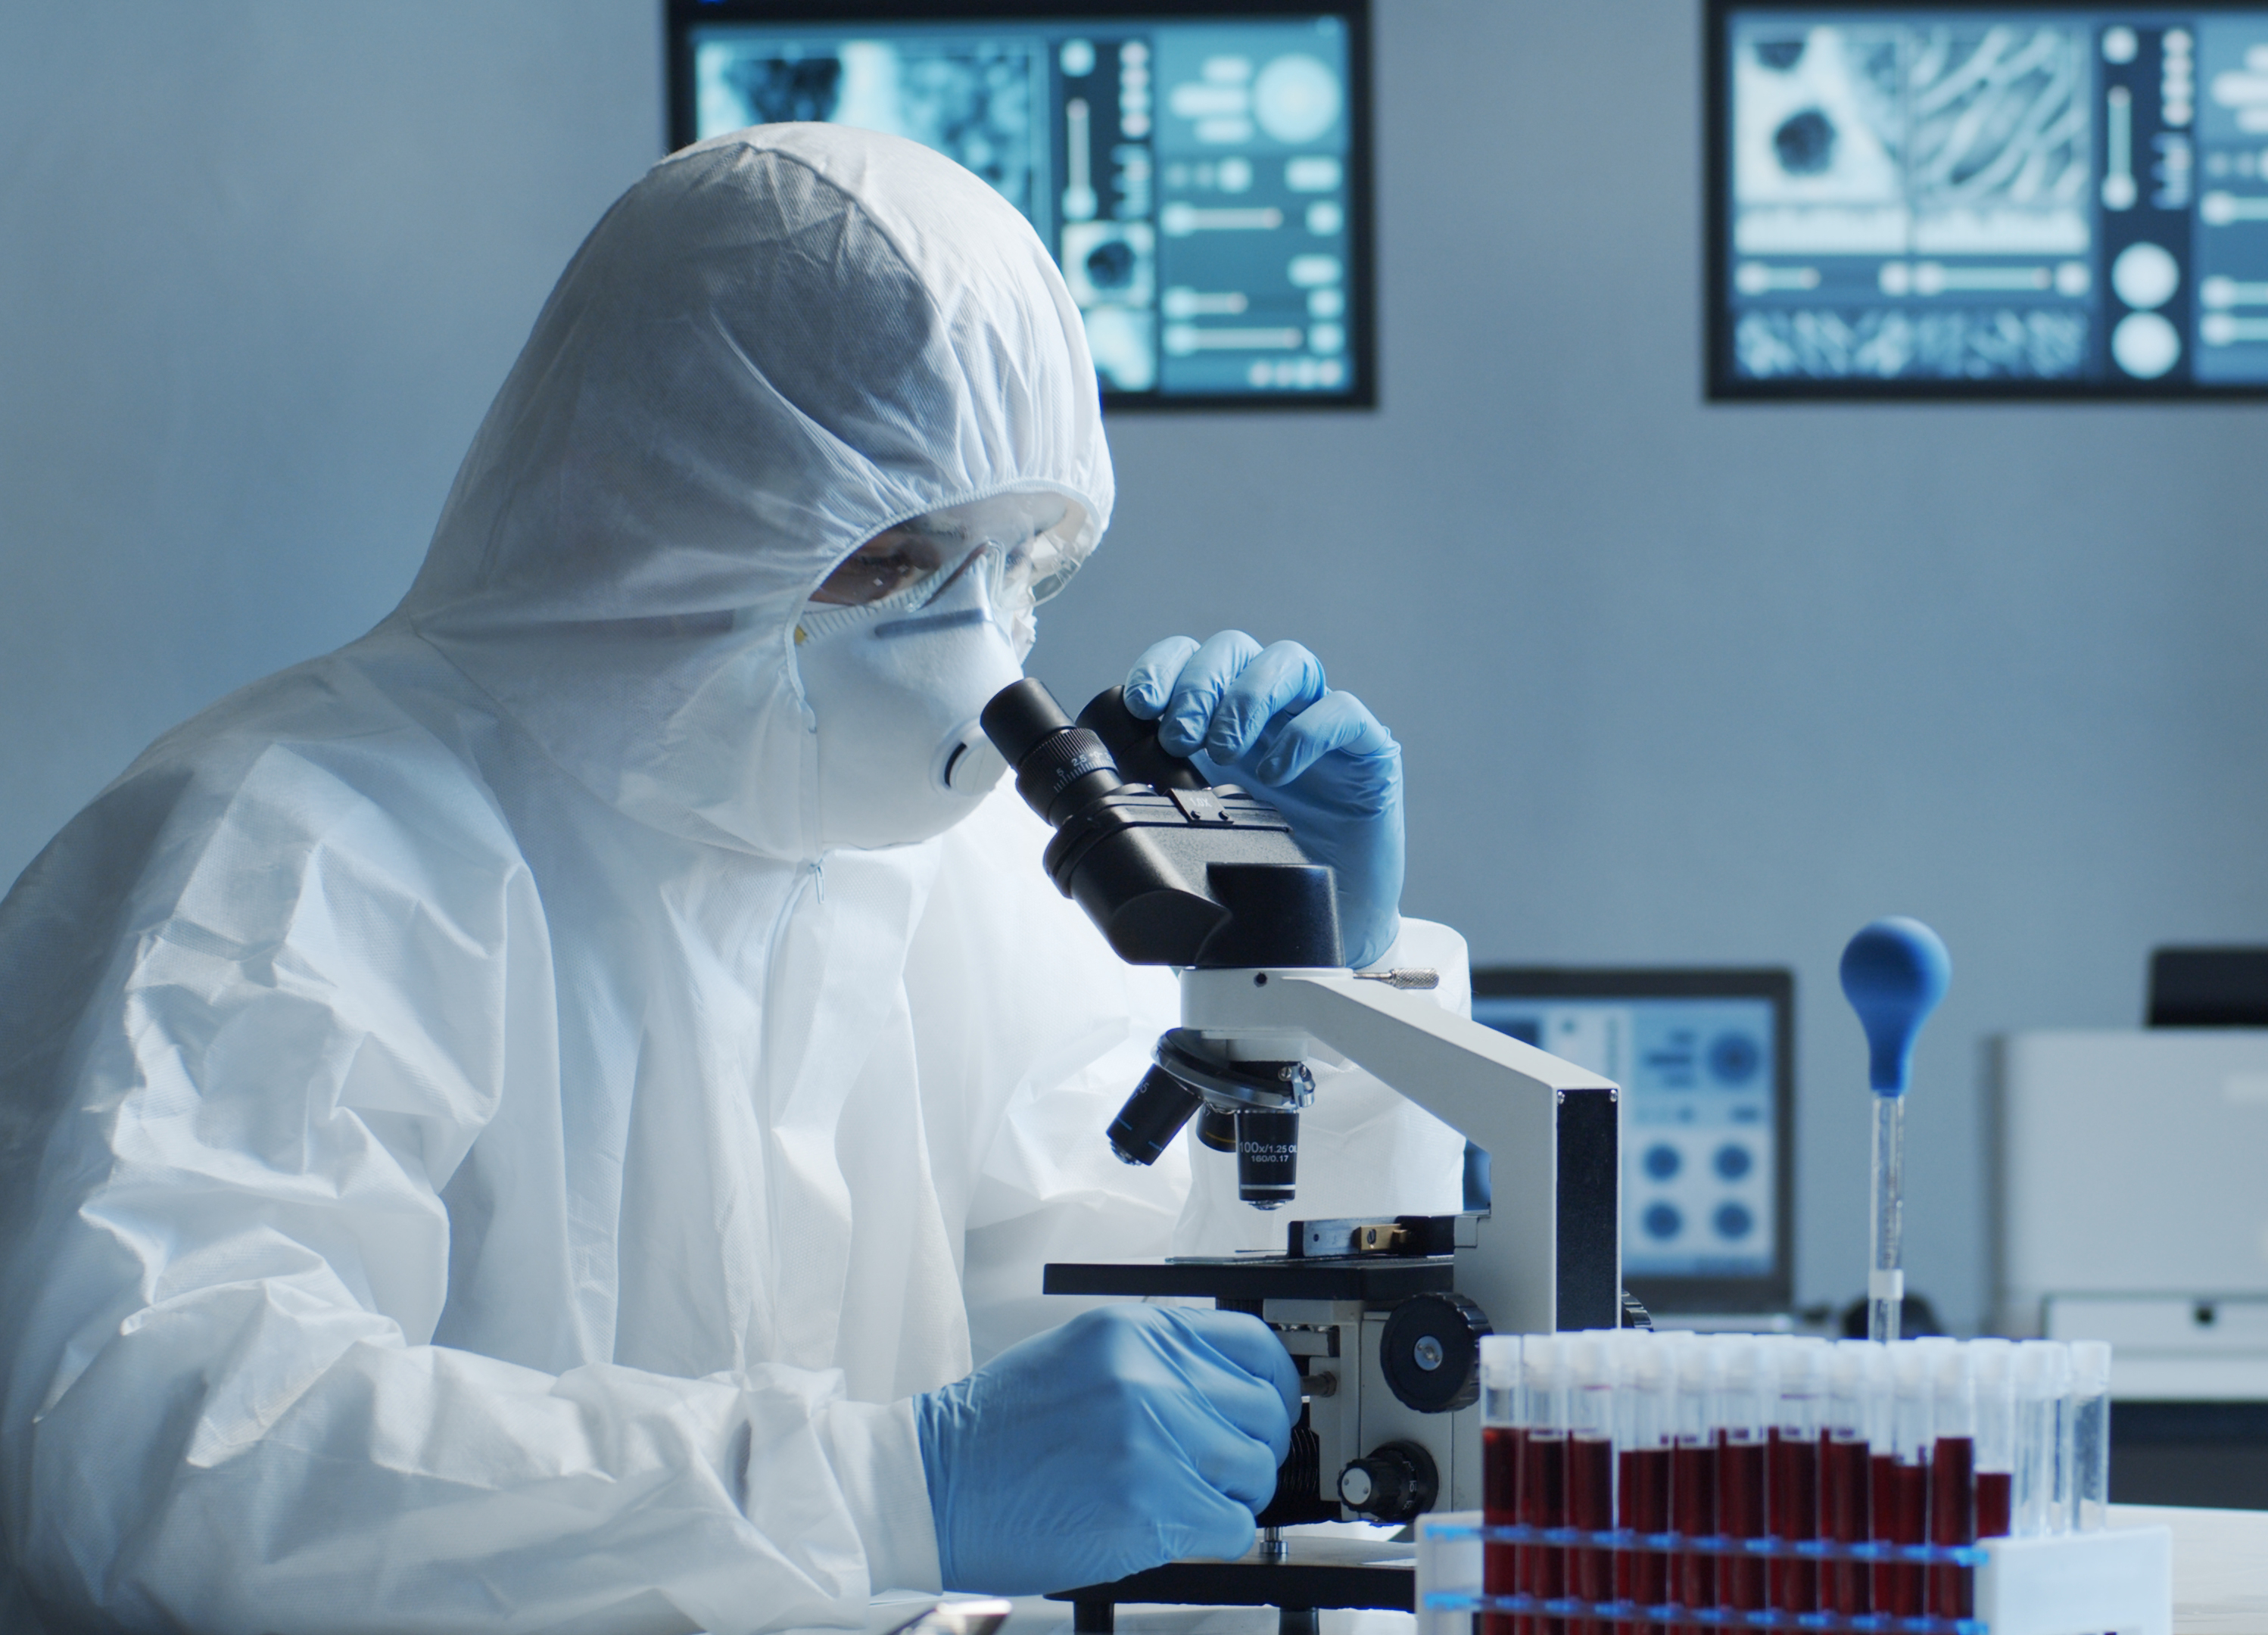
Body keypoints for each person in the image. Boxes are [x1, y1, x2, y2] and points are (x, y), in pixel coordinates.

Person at [0, 123, 1463, 1633]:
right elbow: (157, 1448)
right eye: (895, 557)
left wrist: (1314, 1003)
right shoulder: (302, 850)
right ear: (652, 509)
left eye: (1020, 558)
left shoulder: (963, 875)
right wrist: (889, 1490)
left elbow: (1195, 1383)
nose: (982, 646)